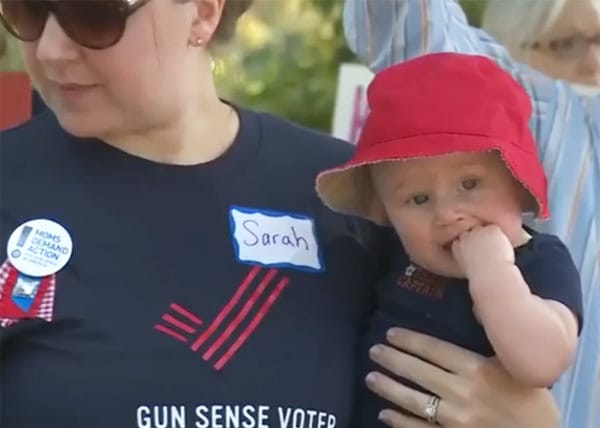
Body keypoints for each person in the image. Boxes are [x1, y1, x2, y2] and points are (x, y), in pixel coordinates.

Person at [0, 0, 559, 427]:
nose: (50, 49)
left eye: (91, 14)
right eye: (26, 10)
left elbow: (502, 376)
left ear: (201, 11)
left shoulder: (358, 198)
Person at [343, 1, 600, 426]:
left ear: (521, 188)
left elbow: (543, 359)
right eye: (564, 44)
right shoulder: (403, 252)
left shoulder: (537, 259)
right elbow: (411, 27)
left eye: (469, 186)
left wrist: (493, 273)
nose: (448, 212)